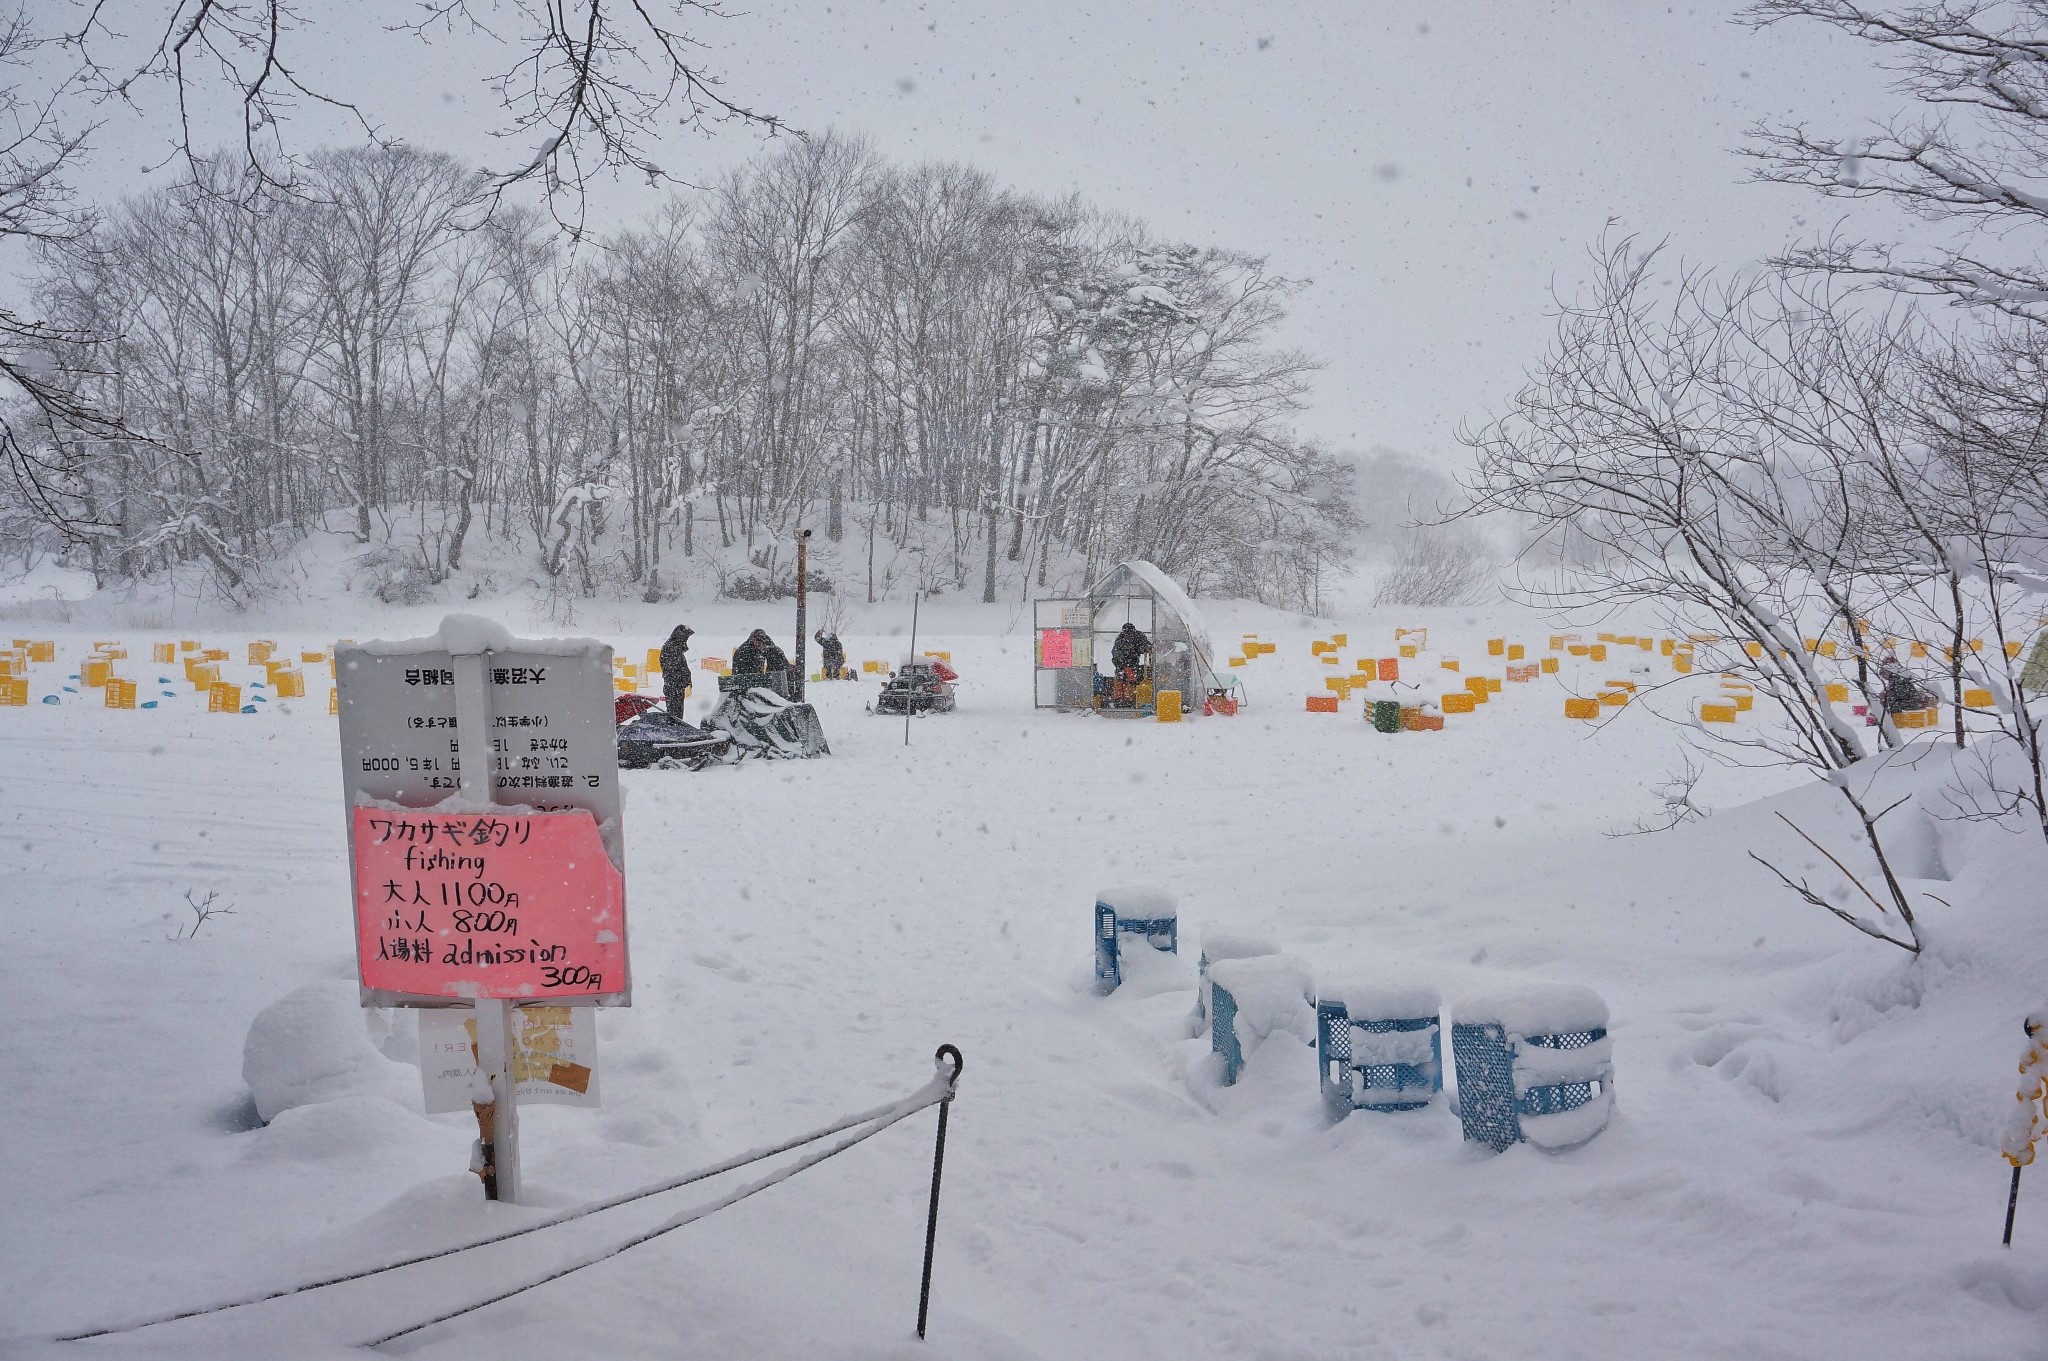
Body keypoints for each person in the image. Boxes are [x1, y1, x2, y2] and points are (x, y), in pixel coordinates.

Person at [659, 624, 693, 714]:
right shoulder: (671, 648)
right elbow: (672, 670)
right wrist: (683, 680)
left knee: (676, 715)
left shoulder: (675, 647)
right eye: (686, 637)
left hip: (676, 687)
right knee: (674, 716)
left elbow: (681, 667)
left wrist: (686, 679)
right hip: (673, 687)